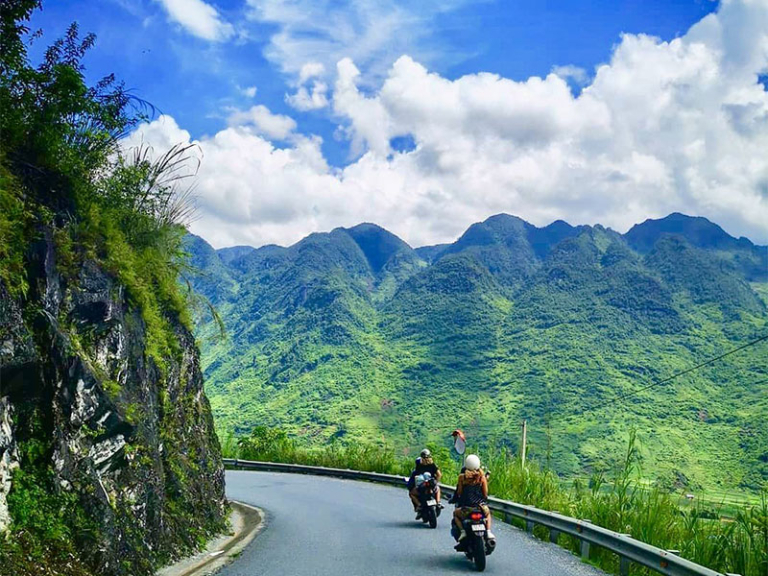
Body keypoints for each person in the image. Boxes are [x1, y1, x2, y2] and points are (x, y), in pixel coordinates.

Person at [452, 454, 495, 545]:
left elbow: (459, 492)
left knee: (455, 514)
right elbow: (485, 493)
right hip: (480, 507)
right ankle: (488, 531)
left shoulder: (462, 477)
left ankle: (463, 531)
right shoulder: (482, 477)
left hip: (466, 508)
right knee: (488, 514)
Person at [408, 448, 442, 518]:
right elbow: (439, 474)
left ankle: (419, 505)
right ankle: (438, 502)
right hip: (431, 484)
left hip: (422, 486)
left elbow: (416, 475)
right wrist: (436, 481)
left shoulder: (419, 464)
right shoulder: (433, 465)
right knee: (438, 489)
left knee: (411, 493)